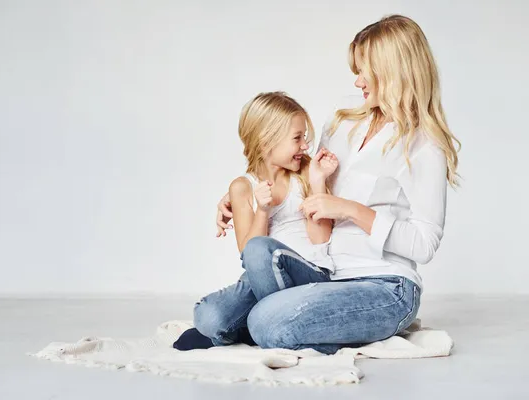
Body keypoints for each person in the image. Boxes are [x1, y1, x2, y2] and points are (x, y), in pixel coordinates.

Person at [213, 14, 461, 355]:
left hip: (385, 286)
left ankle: (306, 327)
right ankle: (307, 325)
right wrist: (238, 193)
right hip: (324, 273)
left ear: (393, 71)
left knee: (264, 323)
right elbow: (299, 172)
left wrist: (350, 210)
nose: (357, 82)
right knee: (216, 318)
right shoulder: (342, 123)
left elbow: (424, 244)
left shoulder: (424, 147)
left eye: (364, 71)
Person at [173, 91, 340, 351]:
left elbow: (321, 239)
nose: (306, 146)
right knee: (208, 316)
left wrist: (318, 182)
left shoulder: (306, 173)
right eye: (297, 139)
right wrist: (262, 210)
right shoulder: (242, 188)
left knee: (263, 250)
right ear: (266, 142)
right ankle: (260, 328)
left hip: (309, 274)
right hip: (261, 278)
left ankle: (258, 327)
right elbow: (246, 251)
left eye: (305, 137)